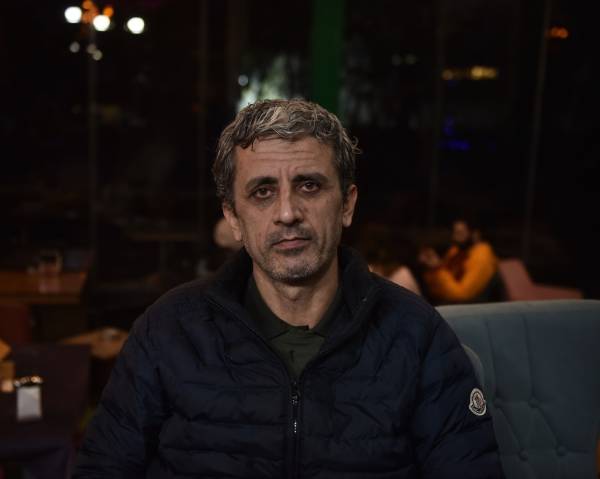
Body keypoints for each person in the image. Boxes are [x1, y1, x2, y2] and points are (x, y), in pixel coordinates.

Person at [74, 99, 504, 478]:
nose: (287, 212)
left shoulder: (417, 333)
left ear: (347, 204)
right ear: (233, 218)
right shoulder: (168, 329)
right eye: (263, 191)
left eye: (309, 186)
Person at [419, 218, 499, 304]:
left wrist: (437, 269)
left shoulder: (482, 256)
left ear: (475, 234)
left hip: (469, 307)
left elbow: (462, 296)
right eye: (454, 233)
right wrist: (431, 268)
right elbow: (440, 282)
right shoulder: (457, 250)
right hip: (445, 302)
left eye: (460, 233)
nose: (454, 237)